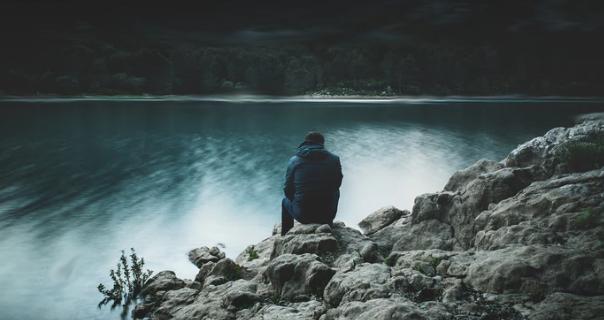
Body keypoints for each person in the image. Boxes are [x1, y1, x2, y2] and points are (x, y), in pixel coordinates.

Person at [281, 131, 343, 236]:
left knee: (285, 201)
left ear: (306, 142)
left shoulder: (294, 160)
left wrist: (298, 200)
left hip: (303, 215)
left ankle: (286, 235)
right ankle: (328, 223)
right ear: (322, 144)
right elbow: (337, 184)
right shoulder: (334, 159)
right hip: (326, 215)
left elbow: (287, 189)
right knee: (335, 191)